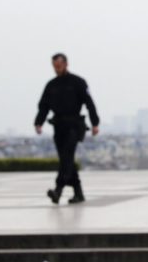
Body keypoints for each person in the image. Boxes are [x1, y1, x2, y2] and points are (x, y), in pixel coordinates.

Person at [34, 53, 100, 205]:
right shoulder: (51, 85)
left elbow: (89, 103)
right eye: (54, 66)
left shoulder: (78, 82)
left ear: (65, 64)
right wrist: (39, 123)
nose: (56, 69)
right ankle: (78, 192)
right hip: (59, 126)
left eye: (59, 66)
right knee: (67, 160)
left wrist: (95, 123)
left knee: (66, 157)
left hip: (74, 126)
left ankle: (58, 190)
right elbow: (43, 106)